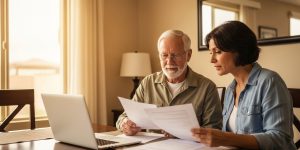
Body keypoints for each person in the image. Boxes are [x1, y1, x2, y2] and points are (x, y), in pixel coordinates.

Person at [191, 21, 296, 150]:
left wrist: (225, 138)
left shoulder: (270, 81)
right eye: (210, 53)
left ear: (239, 50)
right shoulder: (231, 89)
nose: (212, 60)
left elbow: (280, 140)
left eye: (217, 51)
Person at [116, 30, 222, 136]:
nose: (169, 61)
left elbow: (214, 131)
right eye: (164, 55)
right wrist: (125, 124)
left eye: (175, 55)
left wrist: (183, 133)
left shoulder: (207, 87)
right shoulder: (147, 83)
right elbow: (123, 117)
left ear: (188, 55)